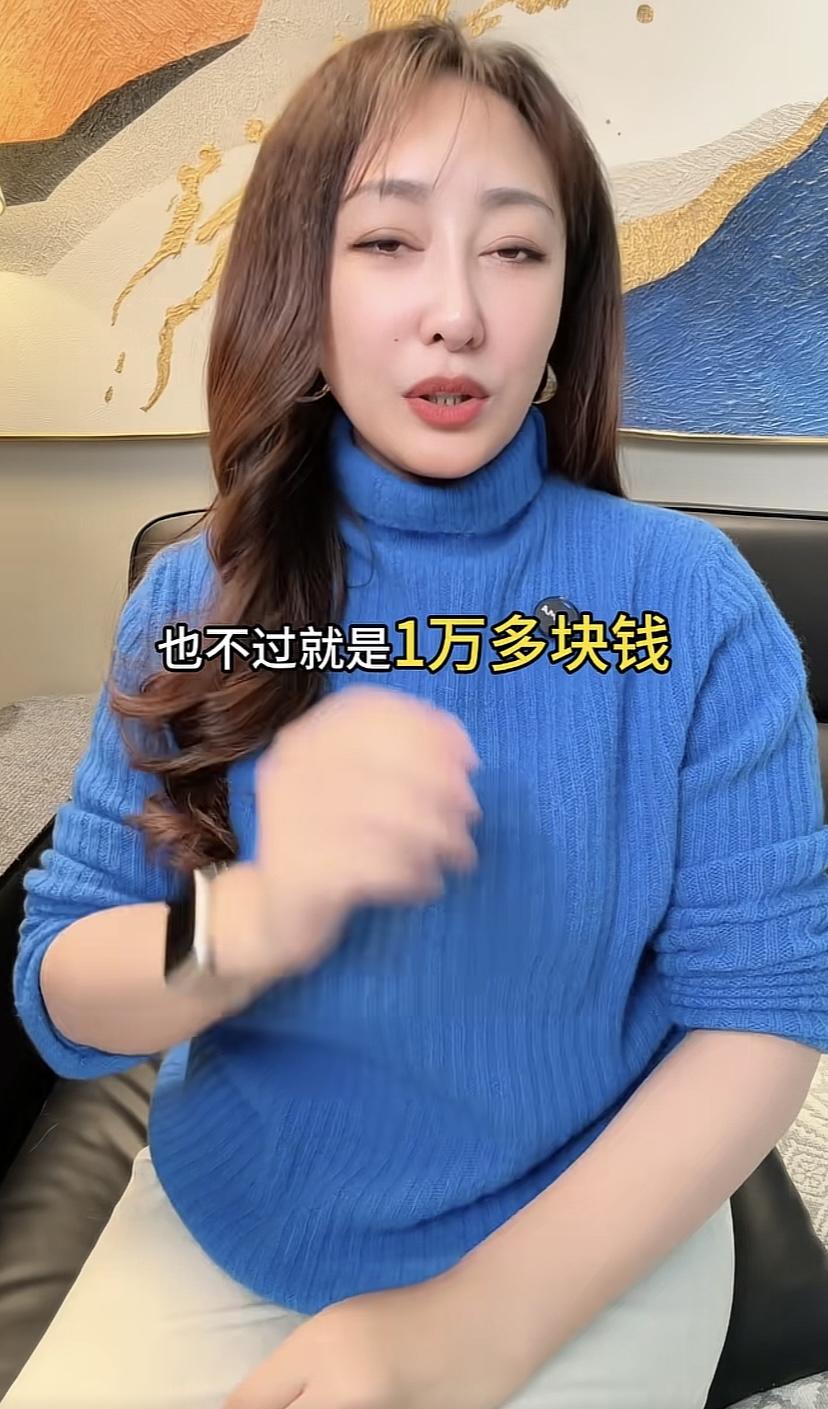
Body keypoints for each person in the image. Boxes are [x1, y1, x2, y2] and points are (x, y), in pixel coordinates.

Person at [8, 17, 828, 1409]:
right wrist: (258, 915)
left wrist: (472, 1328)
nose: (458, 310)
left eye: (515, 250)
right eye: (388, 241)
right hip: (231, 1222)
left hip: (582, 1241)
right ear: (303, 280)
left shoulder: (689, 607)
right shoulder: (202, 600)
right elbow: (65, 977)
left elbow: (762, 1012)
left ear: (566, 301)